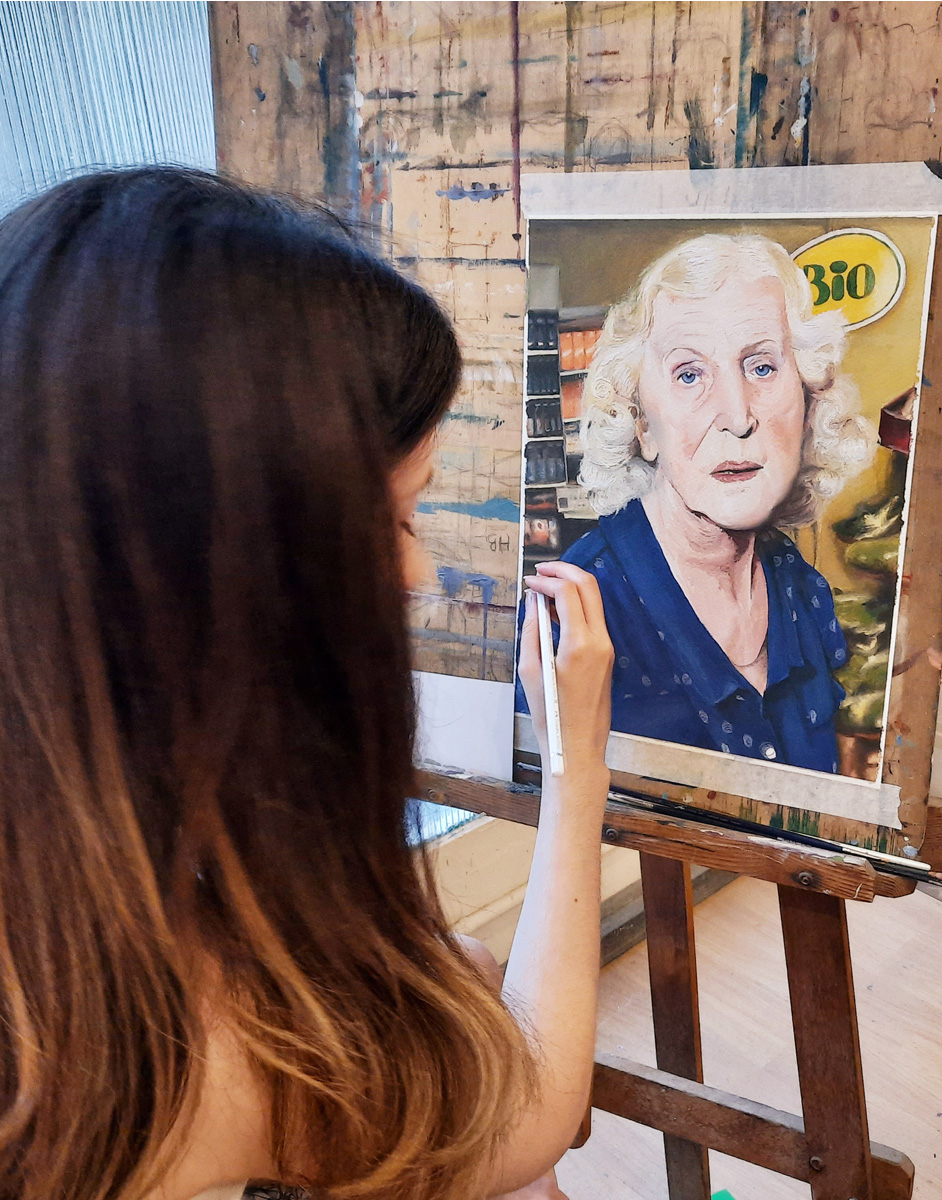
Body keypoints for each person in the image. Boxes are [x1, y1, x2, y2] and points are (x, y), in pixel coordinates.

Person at [0, 168, 613, 1200]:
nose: (415, 573)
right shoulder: (159, 1038)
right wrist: (576, 762)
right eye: (400, 518)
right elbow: (530, 1115)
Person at [566, 233, 873, 774]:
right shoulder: (577, 614)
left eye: (761, 368)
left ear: (807, 402)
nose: (737, 415)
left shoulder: (804, 590)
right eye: (689, 374)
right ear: (641, 423)